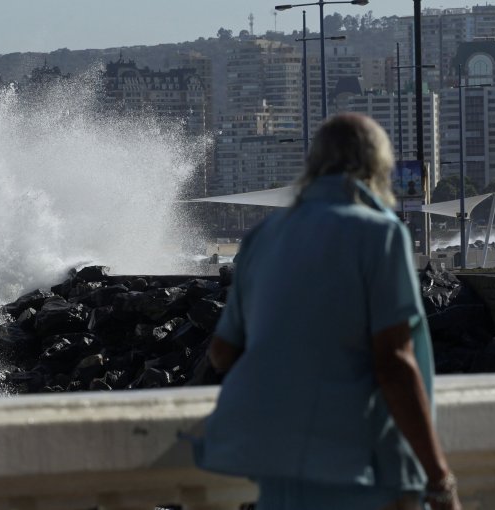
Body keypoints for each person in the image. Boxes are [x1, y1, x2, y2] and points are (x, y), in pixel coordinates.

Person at [193, 113, 460, 510]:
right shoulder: (381, 235)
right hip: (364, 476)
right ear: (377, 169)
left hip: (279, 474)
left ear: (312, 167)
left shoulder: (263, 237)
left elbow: (222, 352)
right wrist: (440, 480)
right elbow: (393, 363)